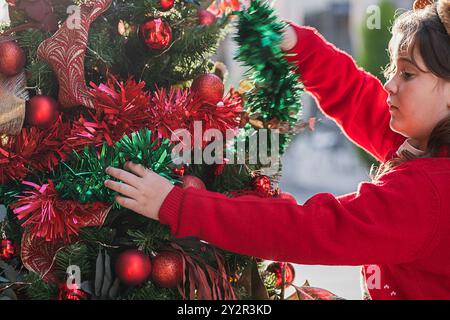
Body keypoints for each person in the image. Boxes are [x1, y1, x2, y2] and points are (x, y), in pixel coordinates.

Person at [104, 0, 450, 299]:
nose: (389, 83)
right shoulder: (428, 143)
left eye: (407, 74)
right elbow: (359, 99)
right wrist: (298, 46)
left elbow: (303, 230)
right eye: (392, 69)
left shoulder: (428, 196)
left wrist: (177, 205)